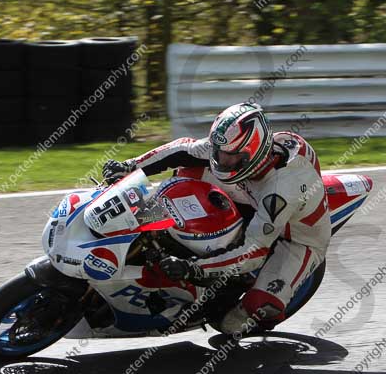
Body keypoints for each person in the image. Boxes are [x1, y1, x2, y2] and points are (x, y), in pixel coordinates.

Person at [103, 102, 330, 335]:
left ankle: (256, 305)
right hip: (253, 193)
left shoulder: (280, 192)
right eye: (218, 152)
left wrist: (194, 268)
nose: (222, 160)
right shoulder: (239, 151)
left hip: (295, 238)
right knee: (188, 171)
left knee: (247, 314)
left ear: (254, 153)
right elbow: (185, 150)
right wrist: (130, 166)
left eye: (230, 157)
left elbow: (254, 251)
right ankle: (153, 227)